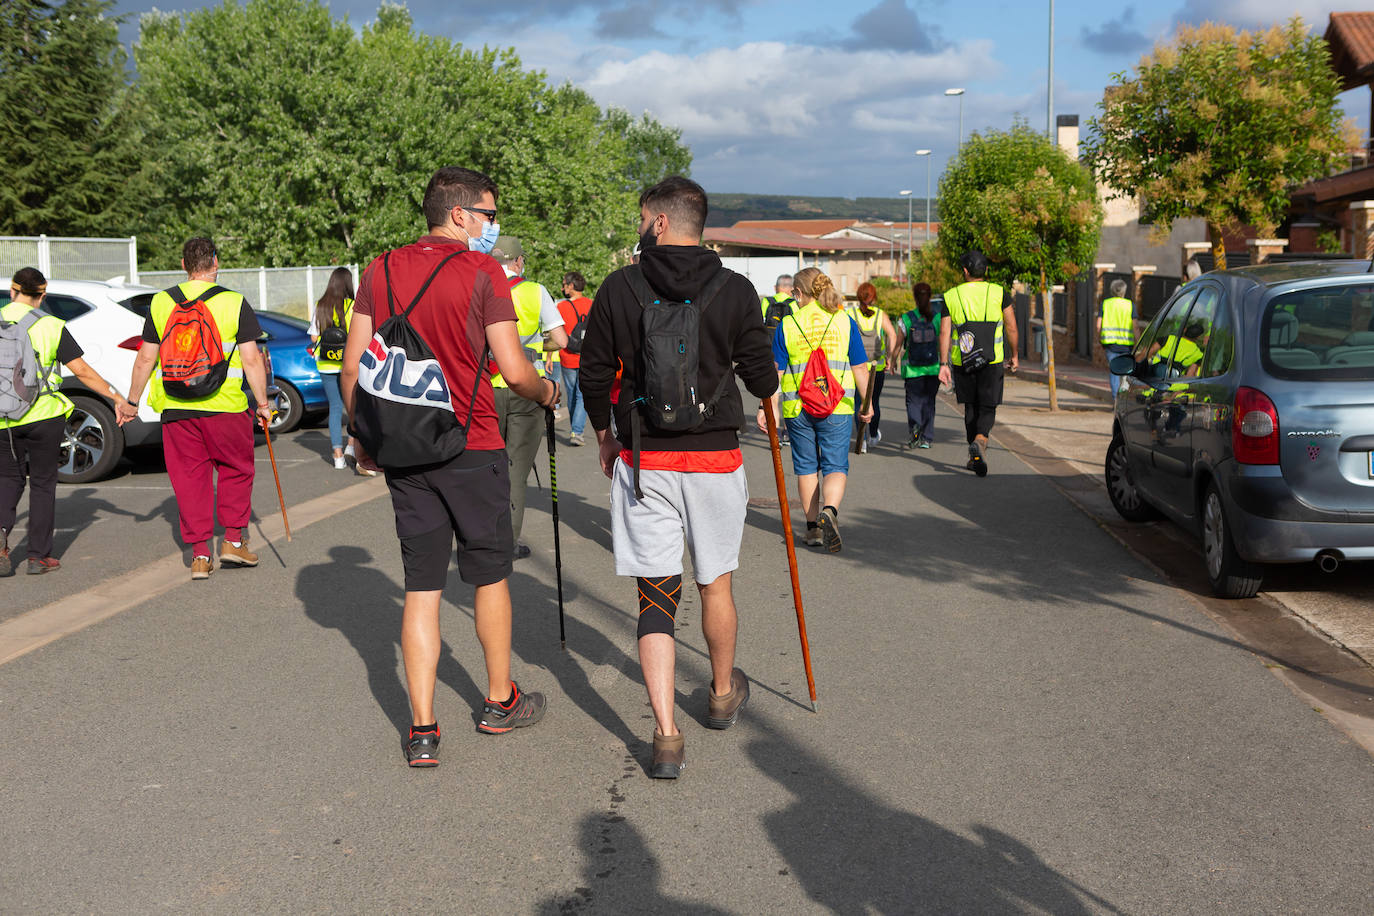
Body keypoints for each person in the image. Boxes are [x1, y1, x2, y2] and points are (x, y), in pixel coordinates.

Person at [339, 166, 559, 767]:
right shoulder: (483, 271)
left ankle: (423, 730)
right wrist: (545, 395)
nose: (494, 227)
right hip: (473, 444)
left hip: (404, 450)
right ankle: (498, 701)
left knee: (421, 588)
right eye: (490, 215)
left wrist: (364, 436)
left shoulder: (379, 270)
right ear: (459, 213)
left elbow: (352, 369)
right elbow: (514, 370)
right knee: (489, 575)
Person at [579, 176, 777, 780]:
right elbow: (761, 376)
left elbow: (592, 374)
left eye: (642, 217)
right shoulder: (736, 288)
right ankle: (721, 693)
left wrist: (608, 436)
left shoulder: (621, 287)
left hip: (646, 461)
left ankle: (665, 735)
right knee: (715, 582)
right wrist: (767, 396)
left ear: (658, 222)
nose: (640, 226)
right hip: (716, 460)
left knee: (655, 597)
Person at [122, 239, 272, 579]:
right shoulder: (233, 302)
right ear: (215, 262)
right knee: (236, 470)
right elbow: (251, 359)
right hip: (227, 408)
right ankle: (233, 542)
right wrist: (263, 404)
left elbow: (146, 357)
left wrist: (132, 402)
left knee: (190, 480)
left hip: (176, 409)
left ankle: (200, 556)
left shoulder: (161, 302)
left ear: (183, 264)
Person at [0, 268, 134, 576]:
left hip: (4, 418)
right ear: (43, 295)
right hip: (44, 414)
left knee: (7, 481)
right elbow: (83, 372)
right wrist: (116, 398)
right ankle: (38, 557)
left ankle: (2, 542)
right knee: (44, 484)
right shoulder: (51, 325)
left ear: (12, 291)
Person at [762, 267, 871, 552]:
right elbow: (860, 367)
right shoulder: (843, 321)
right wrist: (868, 405)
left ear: (798, 293)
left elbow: (775, 373)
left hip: (798, 408)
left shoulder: (788, 325)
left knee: (807, 467)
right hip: (838, 406)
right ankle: (830, 512)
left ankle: (812, 530)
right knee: (835, 465)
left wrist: (768, 409)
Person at [489, 236, 567, 560]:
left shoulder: (480, 287)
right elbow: (561, 338)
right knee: (515, 470)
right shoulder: (535, 291)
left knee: (485, 468)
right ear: (519, 262)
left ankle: (480, 541)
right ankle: (507, 545)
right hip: (526, 387)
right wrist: (536, 346)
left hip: (487, 388)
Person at [937, 249, 1019, 477]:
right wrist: (1015, 354)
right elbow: (1011, 326)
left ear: (965, 271)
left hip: (963, 360)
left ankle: (974, 456)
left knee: (970, 407)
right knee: (988, 404)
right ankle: (981, 439)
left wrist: (943, 363)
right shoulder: (999, 292)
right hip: (992, 360)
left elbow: (944, 331)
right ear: (986, 270)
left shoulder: (951, 295)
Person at [307, 267, 355, 468]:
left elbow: (314, 337)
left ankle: (337, 457)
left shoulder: (320, 306)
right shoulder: (352, 306)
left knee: (335, 407)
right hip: (348, 364)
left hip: (325, 364)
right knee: (353, 406)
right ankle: (352, 446)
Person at [891, 282, 944, 449]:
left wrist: (893, 361)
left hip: (912, 369)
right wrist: (944, 363)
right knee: (929, 402)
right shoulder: (937, 317)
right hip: (933, 367)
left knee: (913, 401)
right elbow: (943, 341)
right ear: (930, 296)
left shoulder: (906, 318)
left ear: (914, 297)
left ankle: (915, 426)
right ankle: (927, 438)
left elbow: (899, 344)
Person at [846, 281, 897, 450]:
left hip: (855, 366)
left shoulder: (850, 313)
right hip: (877, 366)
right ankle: (873, 434)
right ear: (874, 298)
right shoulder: (880, 314)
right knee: (874, 401)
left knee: (857, 403)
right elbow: (892, 335)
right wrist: (889, 356)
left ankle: (863, 439)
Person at [554, 271, 592, 445]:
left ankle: (575, 430)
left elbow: (555, 333)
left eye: (564, 284)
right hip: (587, 356)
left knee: (572, 395)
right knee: (582, 394)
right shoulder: (591, 304)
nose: (563, 288)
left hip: (567, 356)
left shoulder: (561, 307)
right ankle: (577, 432)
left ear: (571, 286)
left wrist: (548, 356)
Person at [1096, 278, 1135, 397]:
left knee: (1114, 371)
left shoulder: (1105, 304)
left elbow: (1098, 325)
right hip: (1126, 345)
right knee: (1126, 373)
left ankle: (1115, 399)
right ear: (1124, 291)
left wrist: (1100, 339)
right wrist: (1139, 343)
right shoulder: (1130, 305)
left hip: (1110, 345)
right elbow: (1136, 326)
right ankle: (1123, 398)